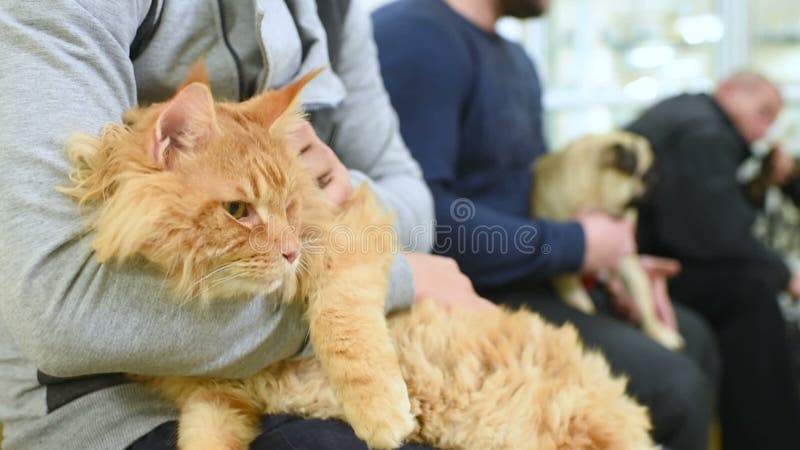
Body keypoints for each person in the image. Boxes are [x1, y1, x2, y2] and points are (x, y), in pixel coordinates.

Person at [0, 1, 490, 449]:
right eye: (240, 211)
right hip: (108, 402)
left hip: (302, 362)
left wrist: (335, 186)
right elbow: (58, 308)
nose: (285, 245)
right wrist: (395, 281)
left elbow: (416, 209)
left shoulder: (336, 11)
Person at [372, 1, 720, 449]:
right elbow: (425, 219)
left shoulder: (518, 61)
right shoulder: (416, 36)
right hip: (467, 294)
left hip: (530, 277)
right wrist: (577, 245)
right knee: (676, 387)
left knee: (694, 335)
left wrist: (607, 266)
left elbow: (537, 196)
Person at [627, 71, 800, 450]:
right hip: (639, 268)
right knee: (752, 295)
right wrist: (785, 275)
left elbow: (700, 217)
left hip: (645, 256)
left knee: (751, 285)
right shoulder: (705, 135)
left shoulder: (688, 118)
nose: (765, 129)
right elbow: (715, 233)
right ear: (730, 92)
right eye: (763, 112)